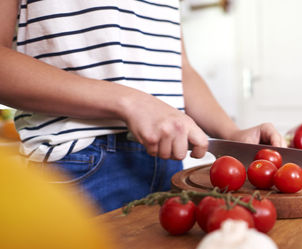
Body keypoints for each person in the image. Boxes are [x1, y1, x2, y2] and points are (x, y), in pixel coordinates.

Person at [0, 0, 286, 213]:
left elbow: (179, 68)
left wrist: (231, 133)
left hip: (167, 164)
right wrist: (130, 102)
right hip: (75, 163)